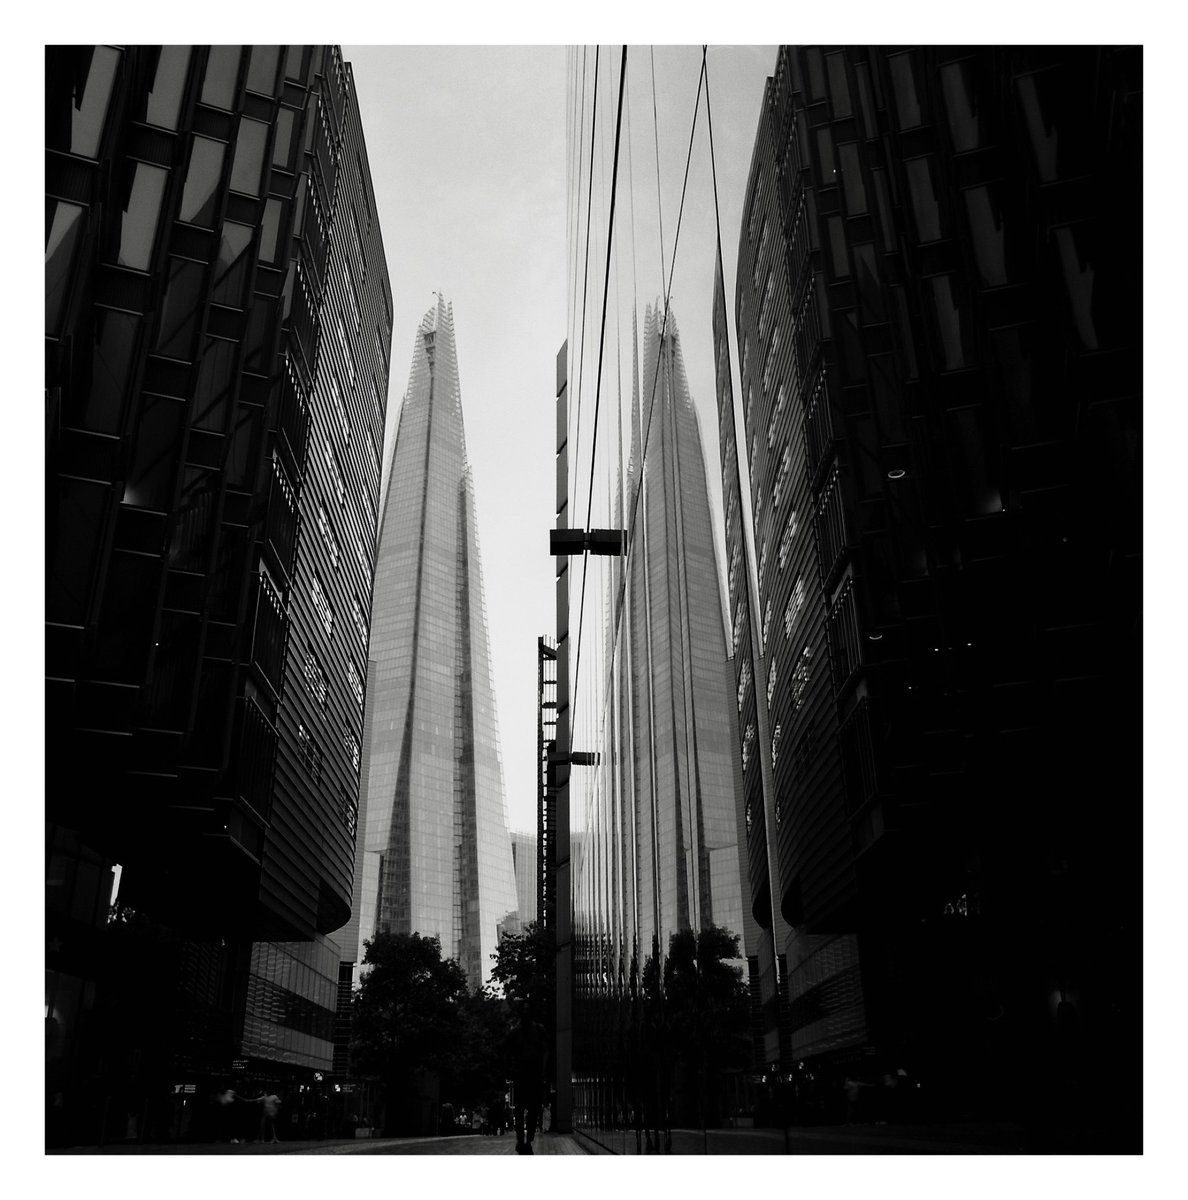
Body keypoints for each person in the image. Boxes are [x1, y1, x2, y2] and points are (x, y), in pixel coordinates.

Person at [507, 1010, 547, 1155]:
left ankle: (525, 1140)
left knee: (528, 1111)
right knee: (526, 1110)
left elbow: (545, 1051)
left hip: (529, 1076)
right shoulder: (518, 1032)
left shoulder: (530, 1031)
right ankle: (524, 1140)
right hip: (527, 1076)